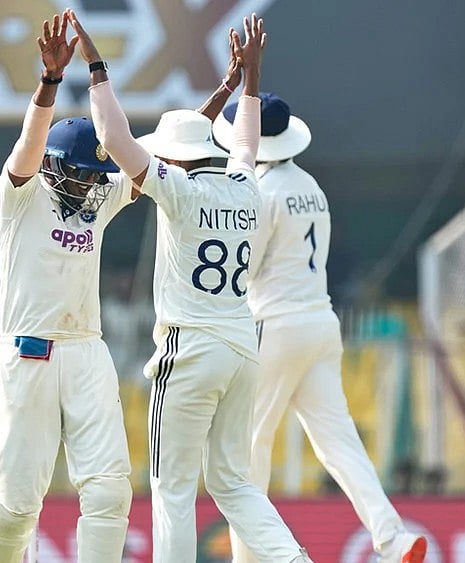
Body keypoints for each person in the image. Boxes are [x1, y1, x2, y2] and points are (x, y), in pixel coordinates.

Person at [70, 10, 313, 562]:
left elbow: (112, 136)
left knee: (172, 488)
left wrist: (96, 67)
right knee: (234, 483)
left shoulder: (176, 189)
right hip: (241, 347)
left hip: (189, 349)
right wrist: (248, 79)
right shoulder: (244, 185)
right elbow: (247, 142)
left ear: (174, 157)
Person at [212, 93, 428, 562]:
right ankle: (393, 536)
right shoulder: (310, 184)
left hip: (275, 323)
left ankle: (250, 558)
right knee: (339, 442)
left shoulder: (261, 190)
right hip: (320, 322)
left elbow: (243, 269)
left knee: (248, 445)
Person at [0, 10, 138, 563]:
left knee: (111, 489)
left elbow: (155, 160)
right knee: (19, 505)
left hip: (87, 350)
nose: (94, 187)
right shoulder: (21, 194)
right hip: (28, 353)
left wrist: (214, 104)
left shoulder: (97, 200)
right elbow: (28, 145)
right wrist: (49, 82)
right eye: (82, 174)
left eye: (98, 177)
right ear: (53, 167)